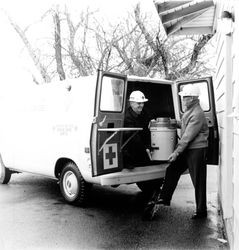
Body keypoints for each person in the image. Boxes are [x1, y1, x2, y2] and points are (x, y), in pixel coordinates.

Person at [157, 84, 209, 219]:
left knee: (198, 181)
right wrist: (176, 123)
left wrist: (176, 152)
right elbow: (187, 125)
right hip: (189, 149)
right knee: (172, 169)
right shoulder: (190, 110)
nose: (183, 100)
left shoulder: (197, 113)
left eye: (185, 97)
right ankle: (164, 198)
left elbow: (187, 136)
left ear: (192, 98)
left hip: (196, 149)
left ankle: (201, 211)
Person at [123, 90, 151, 169]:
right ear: (131, 103)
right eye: (139, 103)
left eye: (142, 103)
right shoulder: (127, 117)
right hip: (132, 151)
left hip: (143, 146)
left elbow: (147, 130)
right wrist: (146, 148)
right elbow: (134, 137)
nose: (141, 105)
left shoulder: (144, 113)